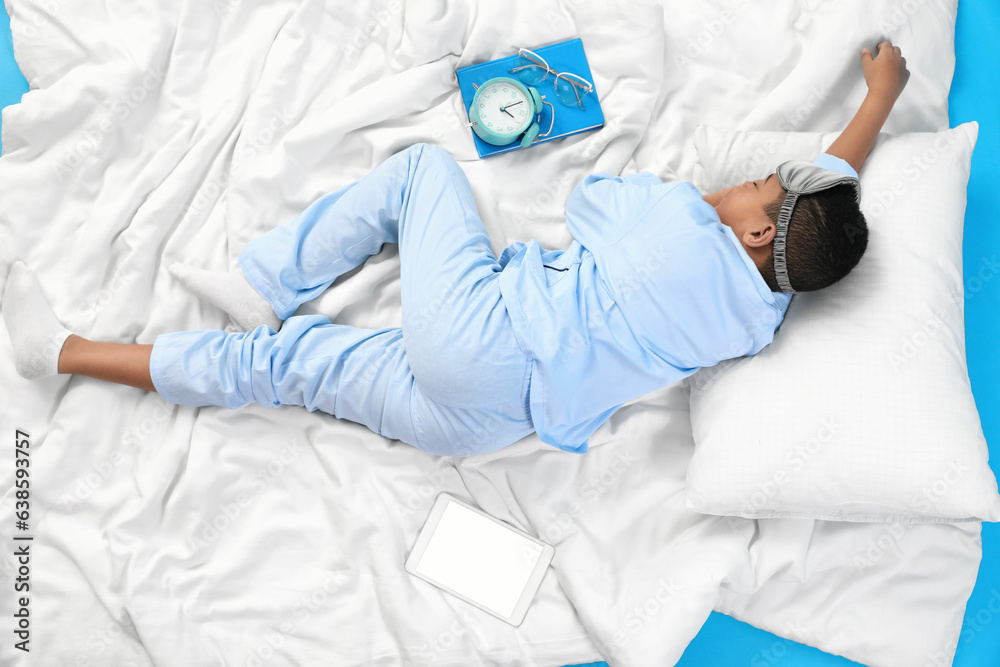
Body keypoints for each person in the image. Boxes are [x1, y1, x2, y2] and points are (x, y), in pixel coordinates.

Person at [1, 41, 909, 457]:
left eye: (757, 185)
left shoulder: (680, 224)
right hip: (482, 426)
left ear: (754, 227)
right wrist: (876, 104)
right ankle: (65, 355)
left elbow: (597, 199)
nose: (748, 180)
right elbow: (820, 203)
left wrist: (698, 195)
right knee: (281, 368)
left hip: (486, 339)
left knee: (423, 171)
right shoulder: (760, 312)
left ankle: (263, 274)